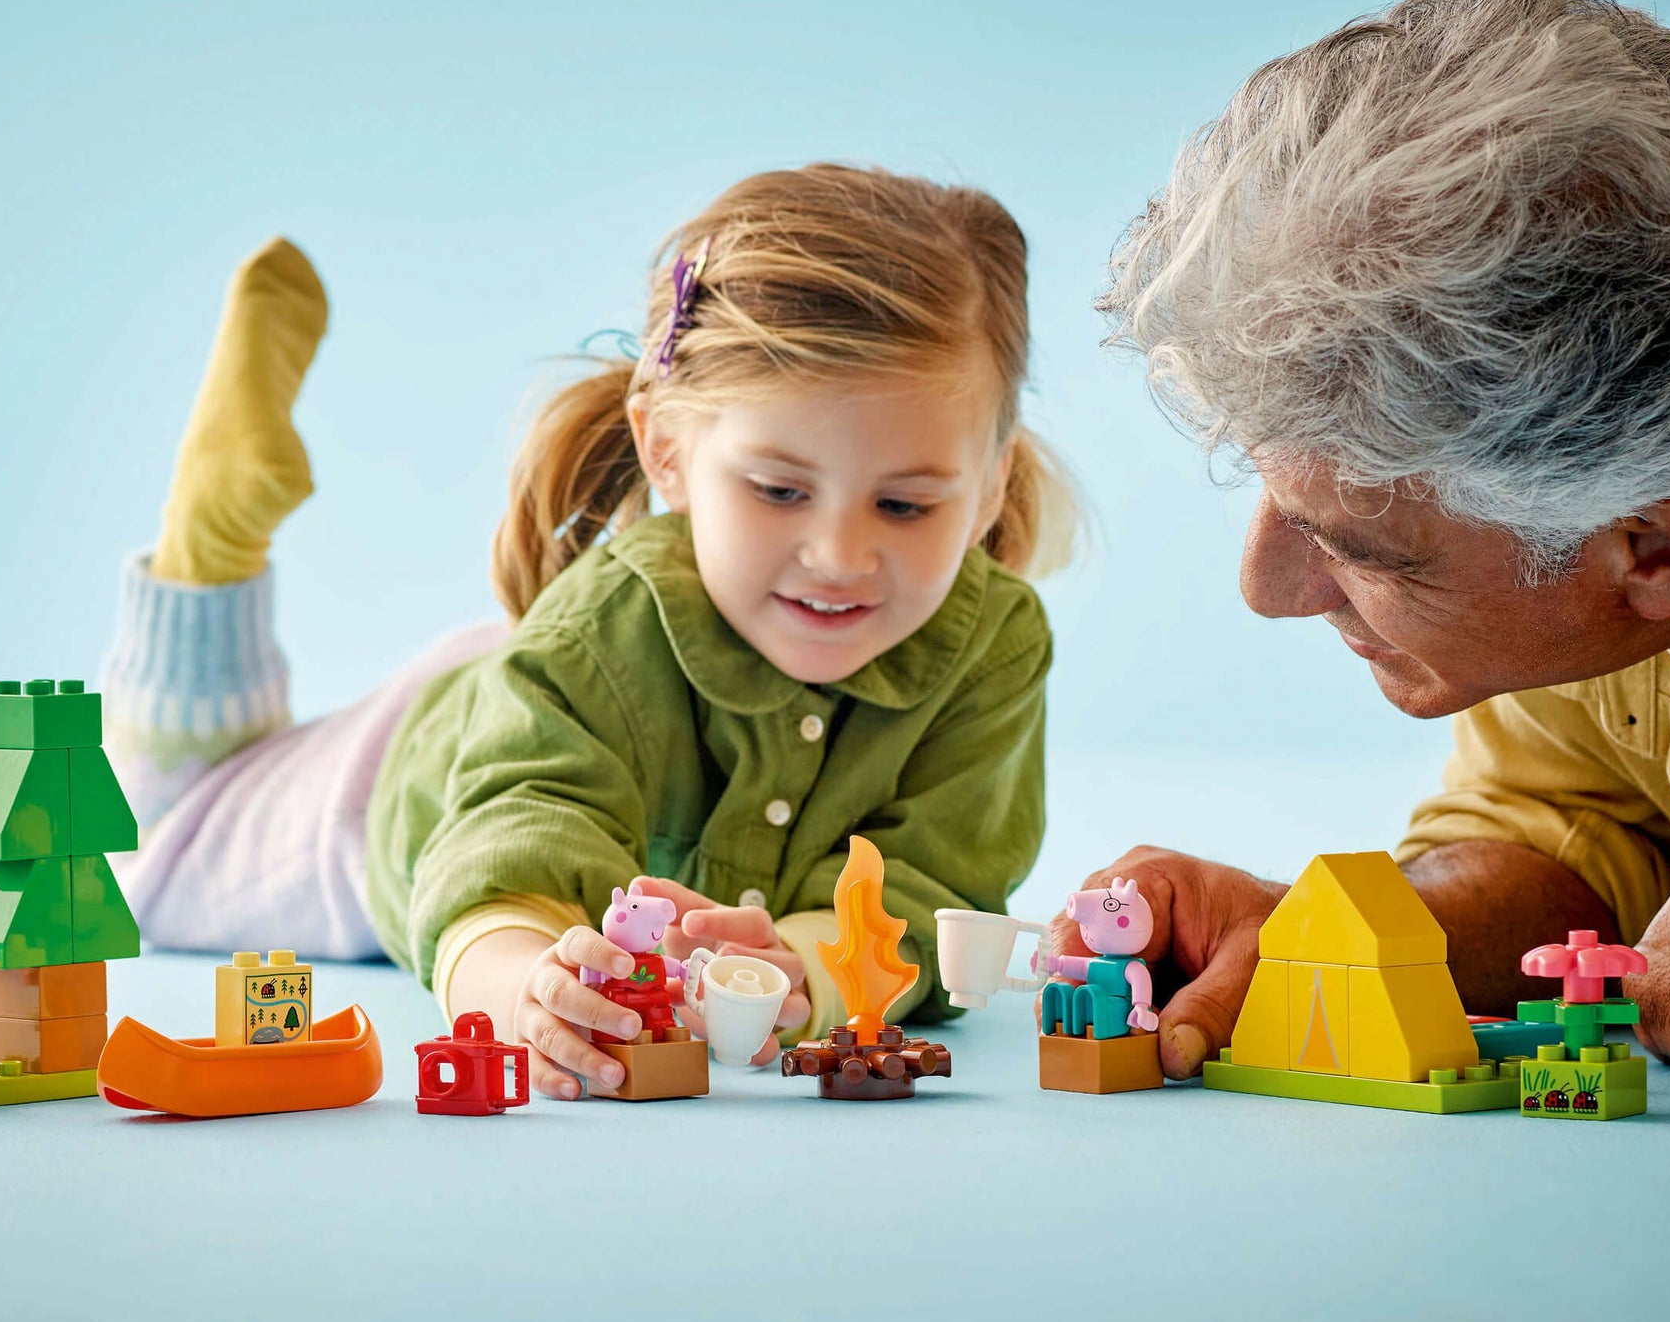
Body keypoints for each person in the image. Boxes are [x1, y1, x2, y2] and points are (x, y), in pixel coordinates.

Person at [102, 163, 1074, 1098]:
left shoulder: (994, 644)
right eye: (779, 490)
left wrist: (804, 972)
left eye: (903, 505)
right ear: (666, 451)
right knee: (146, 850)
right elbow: (512, 841)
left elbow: (931, 882)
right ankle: (208, 546)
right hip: (398, 780)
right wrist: (525, 992)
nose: (839, 555)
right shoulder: (601, 625)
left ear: (988, 484)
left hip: (544, 678)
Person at [1054, 0, 1670, 1083]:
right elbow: (1564, 837)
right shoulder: (1589, 529)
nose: (1266, 587)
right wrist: (1343, 934)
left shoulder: (1586, 491)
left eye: (1354, 545)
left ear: (1657, 549)